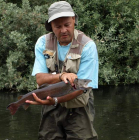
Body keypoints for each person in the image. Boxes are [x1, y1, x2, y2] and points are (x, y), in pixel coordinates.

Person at [26, 1, 98, 140]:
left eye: (67, 25)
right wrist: (62, 76)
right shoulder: (42, 42)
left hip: (78, 106)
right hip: (49, 101)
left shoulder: (88, 46)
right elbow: (40, 79)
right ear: (51, 26)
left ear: (74, 20)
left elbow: (81, 88)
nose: (63, 30)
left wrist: (55, 101)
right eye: (58, 26)